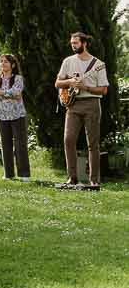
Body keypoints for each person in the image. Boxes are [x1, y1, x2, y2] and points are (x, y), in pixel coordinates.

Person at [55, 31, 108, 190]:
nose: (73, 45)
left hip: (92, 104)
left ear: (84, 43)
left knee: (92, 143)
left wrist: (86, 87)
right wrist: (70, 81)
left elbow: (104, 90)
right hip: (73, 105)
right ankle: (72, 178)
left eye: (76, 43)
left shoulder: (98, 64)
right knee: (68, 139)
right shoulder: (68, 61)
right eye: (72, 43)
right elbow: (58, 83)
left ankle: (94, 180)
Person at [0, 54, 31, 181]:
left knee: (20, 144)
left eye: (6, 62)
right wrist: (6, 93)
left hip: (17, 115)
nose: (3, 64)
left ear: (12, 65)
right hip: (1, 116)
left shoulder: (18, 78)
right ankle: (8, 174)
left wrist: (0, 92)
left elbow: (16, 93)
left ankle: (24, 174)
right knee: (5, 145)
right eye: (1, 61)